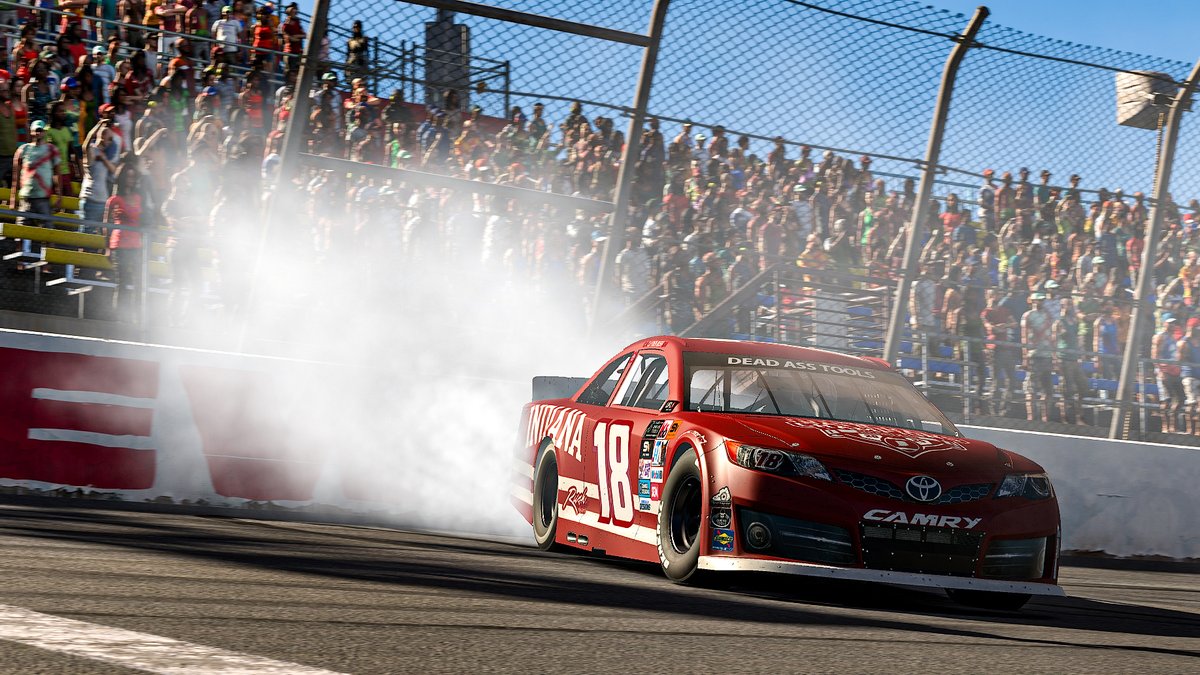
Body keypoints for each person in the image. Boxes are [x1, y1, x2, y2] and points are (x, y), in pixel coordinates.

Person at [106, 163, 144, 323]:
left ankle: (137, 316)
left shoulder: (138, 198)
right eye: (127, 176)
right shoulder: (114, 200)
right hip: (119, 244)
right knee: (122, 282)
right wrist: (107, 248)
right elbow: (106, 225)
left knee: (138, 282)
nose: (130, 179)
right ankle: (120, 318)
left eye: (132, 176)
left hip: (136, 244)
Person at [10, 119, 60, 226]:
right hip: (26, 198)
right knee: (20, 232)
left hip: (44, 198)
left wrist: (59, 195)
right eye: (36, 130)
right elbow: (16, 176)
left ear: (45, 132)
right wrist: (13, 198)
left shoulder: (51, 149)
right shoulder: (23, 149)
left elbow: (57, 173)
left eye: (41, 130)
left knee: (48, 233)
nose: (38, 133)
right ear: (31, 131)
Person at [1022, 292, 1055, 422]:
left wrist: (1053, 355)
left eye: (1042, 300)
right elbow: (1024, 337)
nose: (1040, 302)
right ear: (1033, 301)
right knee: (1031, 388)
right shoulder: (1028, 316)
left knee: (1047, 389)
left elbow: (1052, 337)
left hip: (1046, 355)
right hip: (1033, 355)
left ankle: (1045, 417)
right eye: (1038, 300)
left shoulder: (1047, 316)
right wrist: (1025, 357)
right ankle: (1031, 417)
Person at [1154, 315, 1184, 433]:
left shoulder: (1173, 338)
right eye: (1170, 323)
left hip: (1174, 372)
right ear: (1164, 323)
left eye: (1174, 323)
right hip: (1164, 372)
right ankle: (1166, 427)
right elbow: (1155, 355)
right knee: (1166, 399)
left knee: (1180, 398)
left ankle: (1173, 426)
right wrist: (1161, 370)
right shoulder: (1160, 336)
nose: (1173, 325)